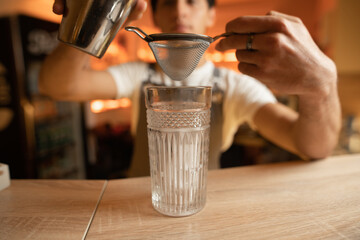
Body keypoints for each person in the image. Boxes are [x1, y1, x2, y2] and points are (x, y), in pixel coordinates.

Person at [40, 0, 341, 177]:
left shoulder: (234, 84)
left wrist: (321, 88)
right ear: (155, 15)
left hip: (206, 205)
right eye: (169, 1)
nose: (180, 11)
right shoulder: (138, 75)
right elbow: (57, 86)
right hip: (136, 203)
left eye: (191, 0)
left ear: (212, 14)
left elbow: (310, 146)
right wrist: (89, 18)